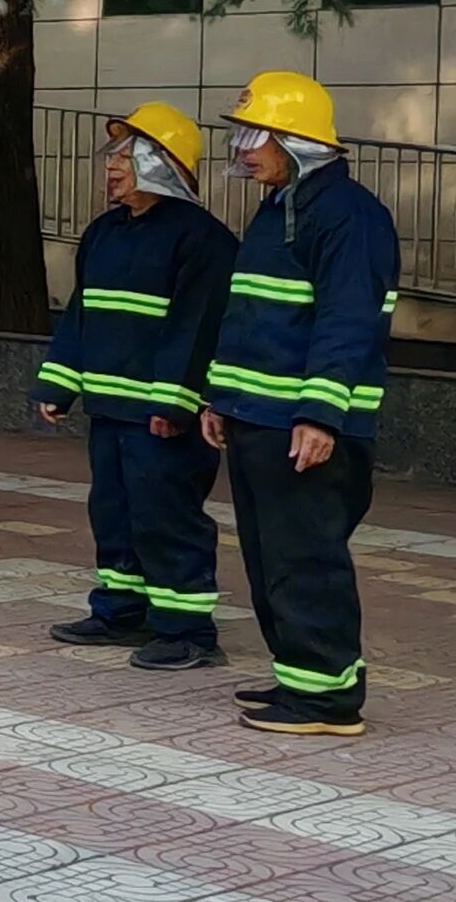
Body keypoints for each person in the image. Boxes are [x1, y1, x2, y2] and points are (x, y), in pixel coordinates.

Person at [203, 70, 401, 737]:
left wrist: (320, 415)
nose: (244, 148)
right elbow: (249, 315)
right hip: (261, 419)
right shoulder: (283, 206)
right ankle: (303, 679)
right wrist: (220, 397)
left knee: (305, 558)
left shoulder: (347, 214)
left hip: (303, 426)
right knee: (271, 559)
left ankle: (328, 700)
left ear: (299, 141)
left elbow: (348, 320)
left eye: (256, 134)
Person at [35, 102, 238, 670]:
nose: (111, 168)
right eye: (113, 158)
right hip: (112, 410)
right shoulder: (103, 233)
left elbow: (196, 330)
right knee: (115, 510)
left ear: (161, 162)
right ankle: (122, 611)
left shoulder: (203, 240)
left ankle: (188, 630)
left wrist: (173, 403)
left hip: (161, 416)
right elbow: (82, 315)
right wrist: (59, 384)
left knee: (166, 515)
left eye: (124, 157)